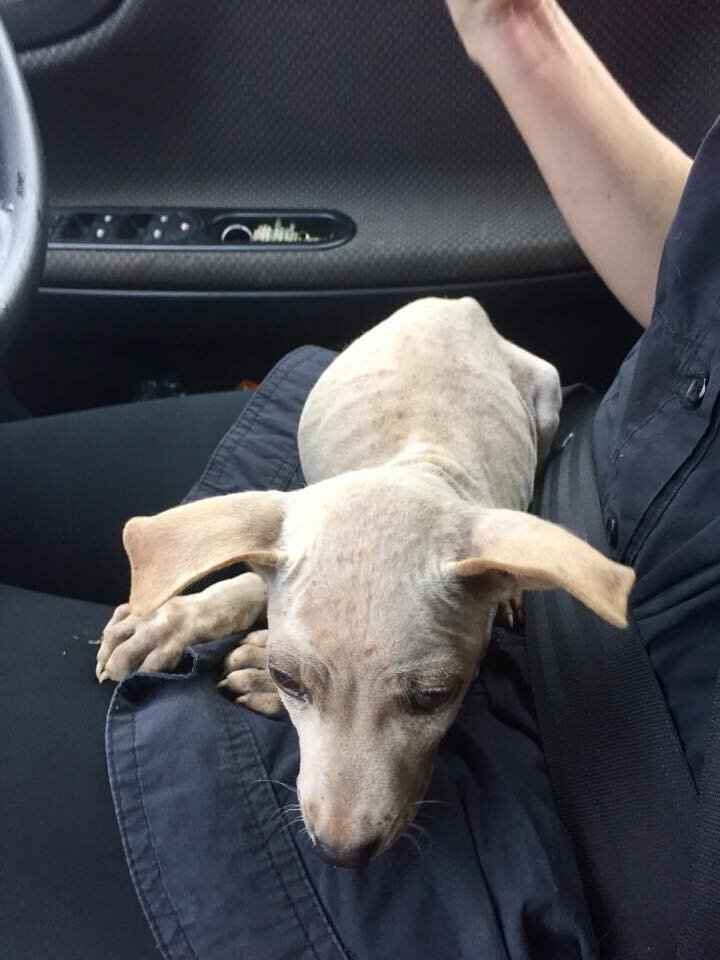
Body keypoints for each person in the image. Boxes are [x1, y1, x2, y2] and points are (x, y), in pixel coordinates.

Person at [2, 1, 717, 957]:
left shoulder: (501, 585)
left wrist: (308, 645)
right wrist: (517, 28)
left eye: (420, 698)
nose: (341, 821)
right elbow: (700, 280)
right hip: (602, 465)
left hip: (643, 769)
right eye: (298, 682)